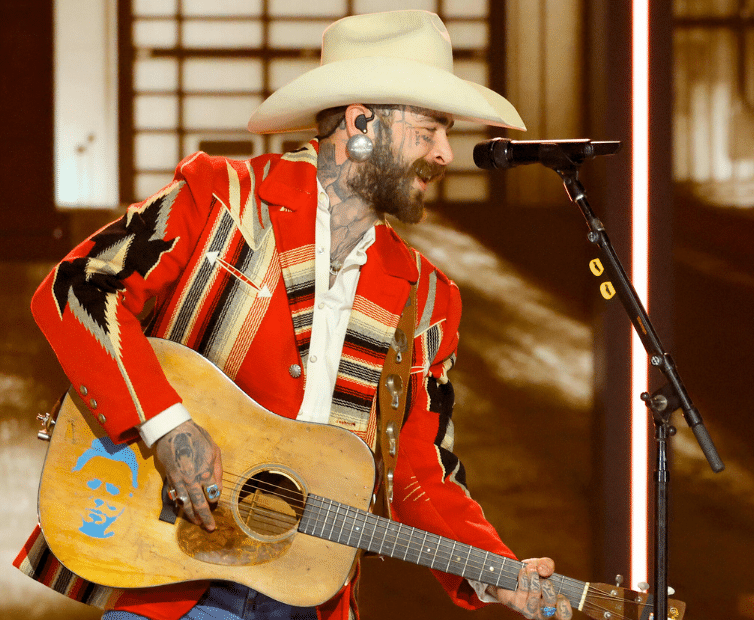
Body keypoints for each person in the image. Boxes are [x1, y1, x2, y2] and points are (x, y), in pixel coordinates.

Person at [15, 10, 573, 620]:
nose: (445, 154)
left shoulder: (429, 297)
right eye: (430, 129)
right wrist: (166, 424)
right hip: (170, 582)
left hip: (309, 595)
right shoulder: (219, 200)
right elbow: (79, 287)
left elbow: (419, 473)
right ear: (361, 124)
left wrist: (496, 572)